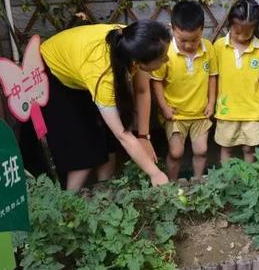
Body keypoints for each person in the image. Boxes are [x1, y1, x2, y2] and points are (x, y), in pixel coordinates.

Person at [39, 20, 171, 190]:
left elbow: (142, 91)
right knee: (83, 149)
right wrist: (156, 174)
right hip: (53, 72)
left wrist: (144, 137)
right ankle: (70, 203)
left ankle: (105, 193)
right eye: (162, 58)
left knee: (109, 144)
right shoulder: (103, 76)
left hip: (79, 63)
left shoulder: (132, 40)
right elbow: (123, 135)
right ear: (137, 62)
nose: (167, 59)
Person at [151, 1, 217, 180]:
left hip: (200, 112)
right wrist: (164, 107)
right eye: (183, 40)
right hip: (175, 114)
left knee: (202, 150)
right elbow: (156, 81)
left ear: (202, 29)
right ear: (172, 29)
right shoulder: (166, 53)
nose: (189, 45)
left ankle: (197, 182)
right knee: (176, 152)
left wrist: (211, 102)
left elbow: (212, 76)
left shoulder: (208, 48)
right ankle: (172, 184)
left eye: (194, 40)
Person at [213, 0, 259, 163]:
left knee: (249, 148)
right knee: (226, 147)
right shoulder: (218, 47)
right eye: (237, 31)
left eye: (248, 32)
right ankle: (226, 181)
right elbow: (212, 78)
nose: (241, 36)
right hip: (226, 110)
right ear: (230, 24)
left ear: (255, 28)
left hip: (253, 110)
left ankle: (251, 182)